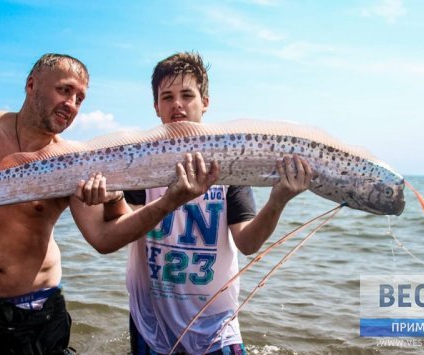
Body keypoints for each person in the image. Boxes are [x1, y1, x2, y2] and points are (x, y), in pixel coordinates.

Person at [0, 53, 217, 354]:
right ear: (31, 84)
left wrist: (169, 201)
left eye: (80, 98)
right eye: (64, 90)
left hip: (44, 311)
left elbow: (103, 238)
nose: (72, 105)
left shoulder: (73, 159)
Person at [123, 52, 314, 354]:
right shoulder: (140, 163)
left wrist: (278, 200)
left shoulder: (227, 163)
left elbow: (247, 243)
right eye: (167, 96)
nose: (177, 104)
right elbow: (123, 231)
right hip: (151, 325)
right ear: (156, 106)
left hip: (217, 328)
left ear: (205, 102)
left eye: (187, 94)